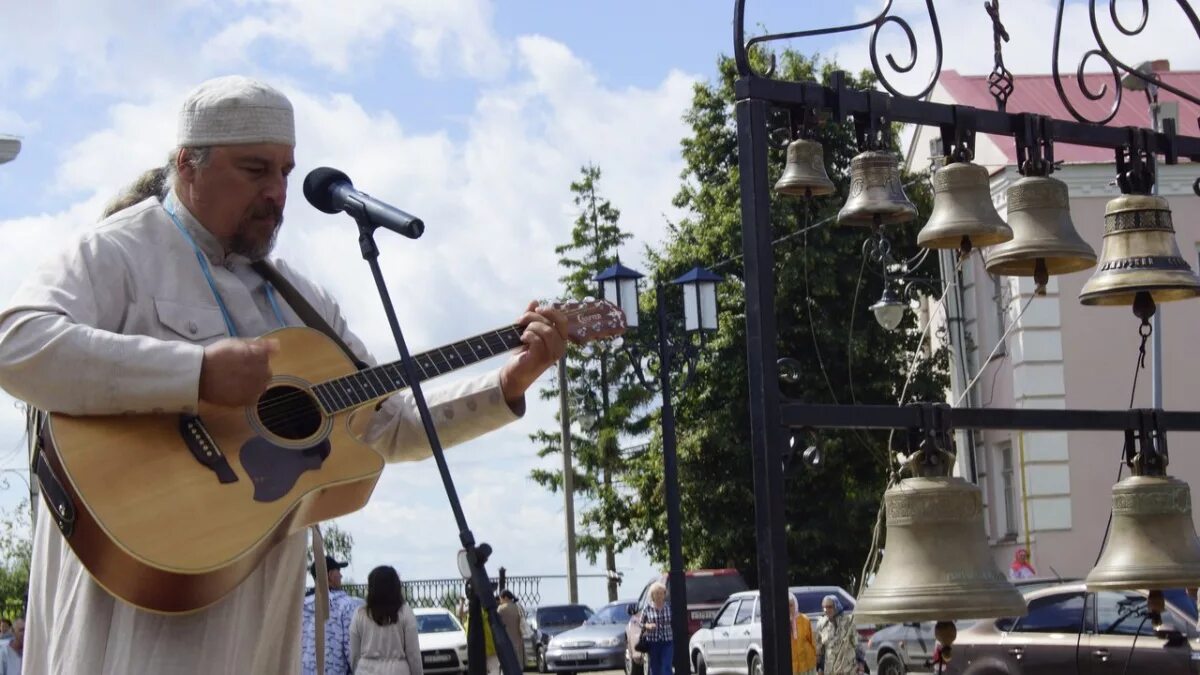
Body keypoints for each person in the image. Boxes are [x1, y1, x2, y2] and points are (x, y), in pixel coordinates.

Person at [0, 75, 568, 675]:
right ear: (188, 165)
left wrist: (508, 384)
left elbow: (391, 423)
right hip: (136, 608)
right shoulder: (117, 252)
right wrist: (194, 373)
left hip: (258, 612)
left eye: (286, 172)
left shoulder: (302, 302)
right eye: (254, 170)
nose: (277, 193)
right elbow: (16, 343)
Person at [349, 566, 423, 675]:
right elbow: (413, 654)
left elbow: (354, 654)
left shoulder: (360, 614)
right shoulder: (405, 612)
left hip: (366, 670)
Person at [302, 555, 365, 675]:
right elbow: (353, 652)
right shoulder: (347, 606)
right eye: (338, 572)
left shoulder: (301, 606)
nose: (341, 576)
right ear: (330, 575)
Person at [814, 596, 861, 675]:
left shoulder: (848, 622)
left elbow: (857, 645)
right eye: (824, 607)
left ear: (836, 606)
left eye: (829, 607)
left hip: (848, 669)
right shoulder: (821, 624)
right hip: (831, 670)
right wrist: (820, 668)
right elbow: (819, 651)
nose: (826, 610)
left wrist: (861, 664)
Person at [639, 581, 673, 675]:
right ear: (652, 595)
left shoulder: (669, 607)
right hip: (653, 642)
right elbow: (640, 623)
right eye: (656, 593)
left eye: (661, 593)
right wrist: (648, 625)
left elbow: (675, 622)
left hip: (667, 641)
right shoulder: (647, 608)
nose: (659, 595)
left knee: (666, 666)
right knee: (655, 668)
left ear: (664, 595)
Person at [496, 590, 526, 669]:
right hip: (519, 641)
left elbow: (496, 623)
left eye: (501, 599)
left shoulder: (501, 609)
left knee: (507, 666)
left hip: (506, 642)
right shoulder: (518, 607)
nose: (500, 601)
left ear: (505, 597)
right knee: (518, 666)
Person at [788, 595, 817, 675]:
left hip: (807, 662)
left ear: (795, 605)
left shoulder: (804, 619)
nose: (789, 608)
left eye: (791, 605)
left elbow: (812, 640)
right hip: (793, 665)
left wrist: (816, 657)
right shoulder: (781, 622)